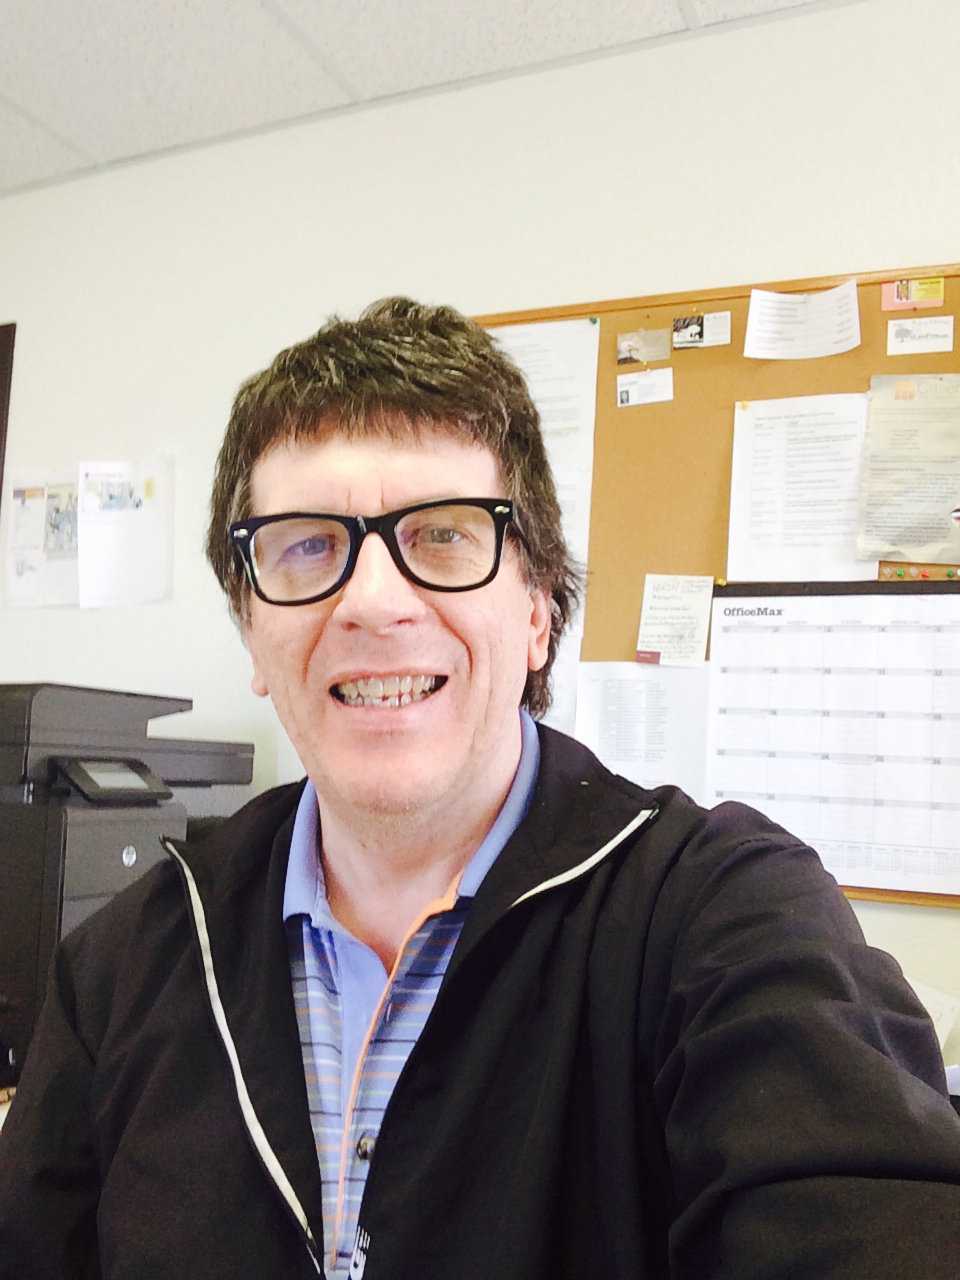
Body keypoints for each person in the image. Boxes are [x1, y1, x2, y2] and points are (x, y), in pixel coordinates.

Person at [2, 298, 960, 1280]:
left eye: (446, 535)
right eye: (305, 545)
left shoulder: (724, 912)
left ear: (539, 612)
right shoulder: (122, 968)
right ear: (253, 631)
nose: (373, 599)